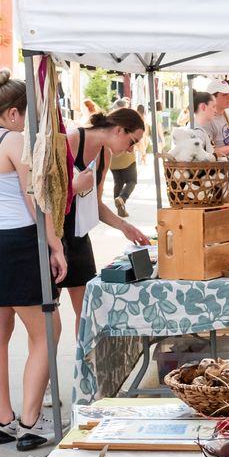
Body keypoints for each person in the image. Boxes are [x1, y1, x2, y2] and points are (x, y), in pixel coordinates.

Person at [0, 72, 67, 450]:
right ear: (15, 113)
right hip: (17, 244)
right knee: (47, 332)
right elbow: (35, 199)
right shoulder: (15, 140)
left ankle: (2, 421)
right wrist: (55, 245)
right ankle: (31, 421)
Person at [58, 109, 153, 347]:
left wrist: (124, 226)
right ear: (119, 130)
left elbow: (96, 203)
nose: (131, 149)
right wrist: (74, 186)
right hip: (54, 233)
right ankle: (47, 377)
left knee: (86, 310)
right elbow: (46, 193)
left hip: (79, 234)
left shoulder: (104, 154)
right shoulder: (70, 139)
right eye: (132, 141)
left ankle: (85, 366)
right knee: (48, 314)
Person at [193, 90, 229, 157]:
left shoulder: (228, 116)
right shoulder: (204, 124)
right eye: (224, 94)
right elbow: (208, 154)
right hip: (222, 165)